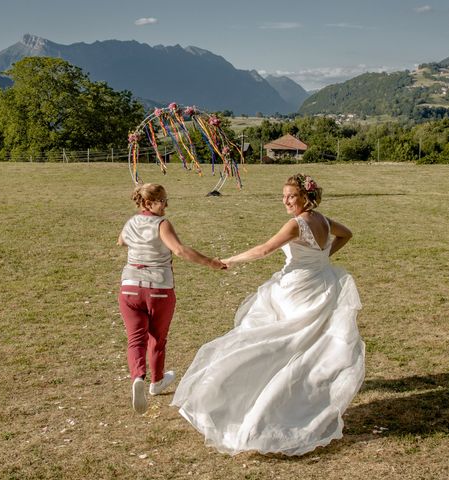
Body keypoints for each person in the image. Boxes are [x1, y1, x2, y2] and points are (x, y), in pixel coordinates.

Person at [171, 173, 365, 455]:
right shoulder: (322, 219)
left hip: (295, 289)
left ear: (305, 197)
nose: (286, 201)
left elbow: (264, 250)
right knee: (304, 343)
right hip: (319, 283)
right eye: (284, 195)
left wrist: (227, 260)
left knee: (272, 340)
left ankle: (247, 396)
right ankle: (295, 392)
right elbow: (346, 234)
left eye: (291, 196)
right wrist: (322, 258)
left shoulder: (297, 224)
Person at [118, 183, 225, 414]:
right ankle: (156, 382)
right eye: (163, 200)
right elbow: (179, 250)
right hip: (158, 289)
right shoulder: (161, 224)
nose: (166, 204)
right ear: (149, 203)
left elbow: (121, 241)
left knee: (135, 339)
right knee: (157, 337)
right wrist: (210, 262)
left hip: (129, 288)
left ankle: (138, 377)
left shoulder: (131, 222)